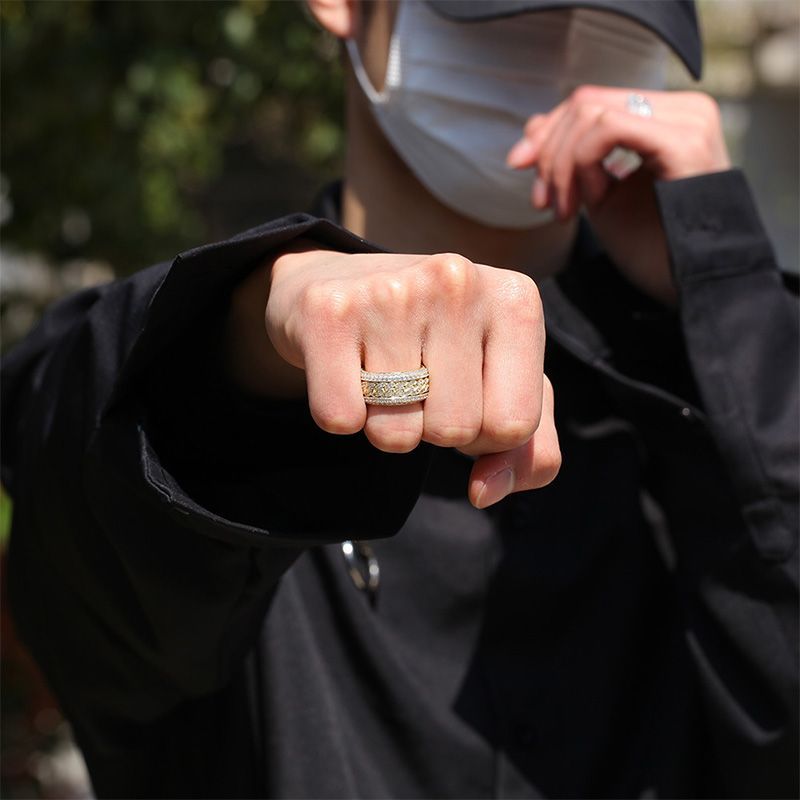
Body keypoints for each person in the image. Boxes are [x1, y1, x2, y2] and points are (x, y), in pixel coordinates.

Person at [2, 0, 797, 797]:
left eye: (615, 16)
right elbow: (73, 508)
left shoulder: (712, 380)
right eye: (505, 10)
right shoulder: (184, 359)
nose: (559, 41)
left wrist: (731, 303)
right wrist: (252, 325)